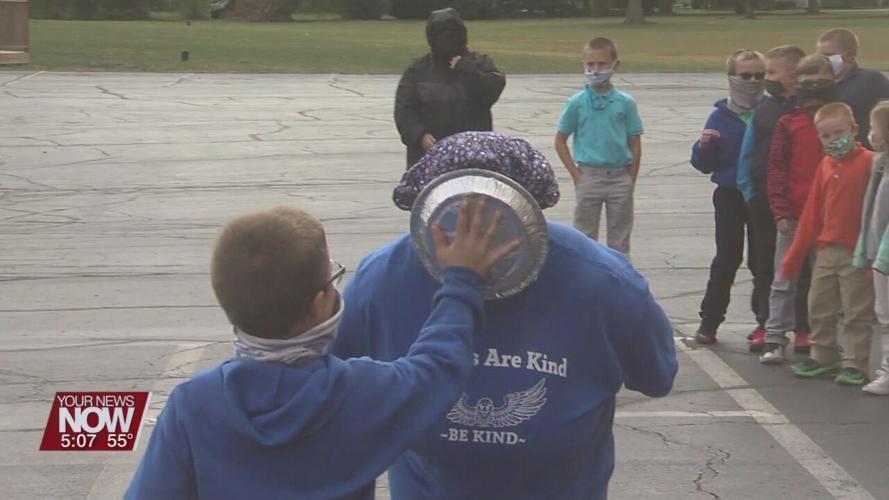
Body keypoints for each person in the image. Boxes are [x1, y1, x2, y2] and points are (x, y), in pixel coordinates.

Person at [332, 132, 678, 500]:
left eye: (496, 222)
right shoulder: (382, 281)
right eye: (459, 221)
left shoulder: (604, 282)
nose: (476, 240)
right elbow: (333, 394)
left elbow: (656, 374)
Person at [125, 203, 518, 500]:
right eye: (333, 281)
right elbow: (438, 365)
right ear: (318, 305)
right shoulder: (359, 393)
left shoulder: (192, 408)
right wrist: (461, 281)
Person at [781, 102, 875, 386]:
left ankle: (856, 362)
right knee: (819, 305)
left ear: (854, 129)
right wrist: (794, 255)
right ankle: (824, 355)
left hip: (857, 252)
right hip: (827, 249)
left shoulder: (871, 162)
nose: (833, 140)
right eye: (826, 135)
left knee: (856, 310)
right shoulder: (825, 165)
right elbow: (812, 212)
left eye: (839, 132)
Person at [758, 55, 839, 364]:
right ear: (796, 86)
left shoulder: (839, 121)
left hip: (830, 218)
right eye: (807, 85)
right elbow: (776, 168)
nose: (814, 91)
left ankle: (824, 342)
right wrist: (779, 211)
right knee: (784, 279)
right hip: (792, 216)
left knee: (827, 284)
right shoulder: (788, 122)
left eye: (821, 83)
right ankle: (775, 338)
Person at [690, 49, 765, 344]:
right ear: (732, 78)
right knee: (727, 258)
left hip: (761, 196)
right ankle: (710, 320)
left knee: (762, 260)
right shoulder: (720, 117)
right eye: (745, 75)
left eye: (759, 75)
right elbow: (702, 165)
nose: (753, 81)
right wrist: (704, 147)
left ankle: (765, 321)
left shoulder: (771, 112)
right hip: (730, 194)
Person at [736, 45, 806, 352]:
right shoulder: (764, 110)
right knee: (763, 263)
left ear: (793, 75)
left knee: (803, 266)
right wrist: (749, 191)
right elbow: (748, 152)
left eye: (772, 73)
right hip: (765, 201)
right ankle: (765, 322)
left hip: (800, 203)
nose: (767, 79)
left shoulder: (807, 110)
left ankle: (804, 326)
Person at [554, 37, 643, 255]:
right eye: (590, 64)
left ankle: (619, 282)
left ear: (615, 65)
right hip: (589, 176)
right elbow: (560, 140)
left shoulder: (625, 103)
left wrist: (630, 178)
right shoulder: (577, 103)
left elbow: (635, 143)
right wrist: (577, 175)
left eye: (602, 64)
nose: (596, 70)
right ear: (583, 65)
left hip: (619, 176)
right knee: (584, 238)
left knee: (619, 239)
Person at [394, 7, 506, 167]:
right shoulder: (417, 70)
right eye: (440, 34)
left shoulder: (480, 63)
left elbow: (491, 92)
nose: (446, 40)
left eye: (451, 33)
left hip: (473, 155)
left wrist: (468, 70)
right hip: (429, 155)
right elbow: (404, 110)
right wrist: (420, 135)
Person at [854, 101, 889, 395]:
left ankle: (887, 373)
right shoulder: (880, 164)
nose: (871, 134)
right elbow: (870, 212)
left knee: (886, 315)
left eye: (875, 129)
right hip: (880, 252)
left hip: (886, 254)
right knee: (883, 312)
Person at [815, 28, 889, 149]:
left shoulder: (870, 80)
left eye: (827, 56)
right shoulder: (821, 85)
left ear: (849, 55)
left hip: (866, 153)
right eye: (819, 56)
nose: (821, 60)